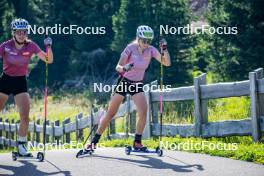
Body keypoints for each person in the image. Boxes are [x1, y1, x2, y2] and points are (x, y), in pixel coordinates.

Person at [86, 25, 171, 151]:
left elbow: (166, 63)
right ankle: (93, 142)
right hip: (124, 82)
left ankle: (137, 142)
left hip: (136, 84)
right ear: (138, 38)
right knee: (111, 113)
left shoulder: (151, 50)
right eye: (144, 41)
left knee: (143, 112)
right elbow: (118, 67)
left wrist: (165, 49)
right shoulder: (130, 48)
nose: (147, 44)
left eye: (149, 41)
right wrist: (124, 68)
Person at [0, 18, 53, 156]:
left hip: (20, 82)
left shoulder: (31, 46)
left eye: (24, 32)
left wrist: (48, 47)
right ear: (14, 33)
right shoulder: (6, 46)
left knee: (25, 116)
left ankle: (22, 147)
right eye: (18, 32)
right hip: (5, 80)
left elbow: (48, 59)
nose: (21, 34)